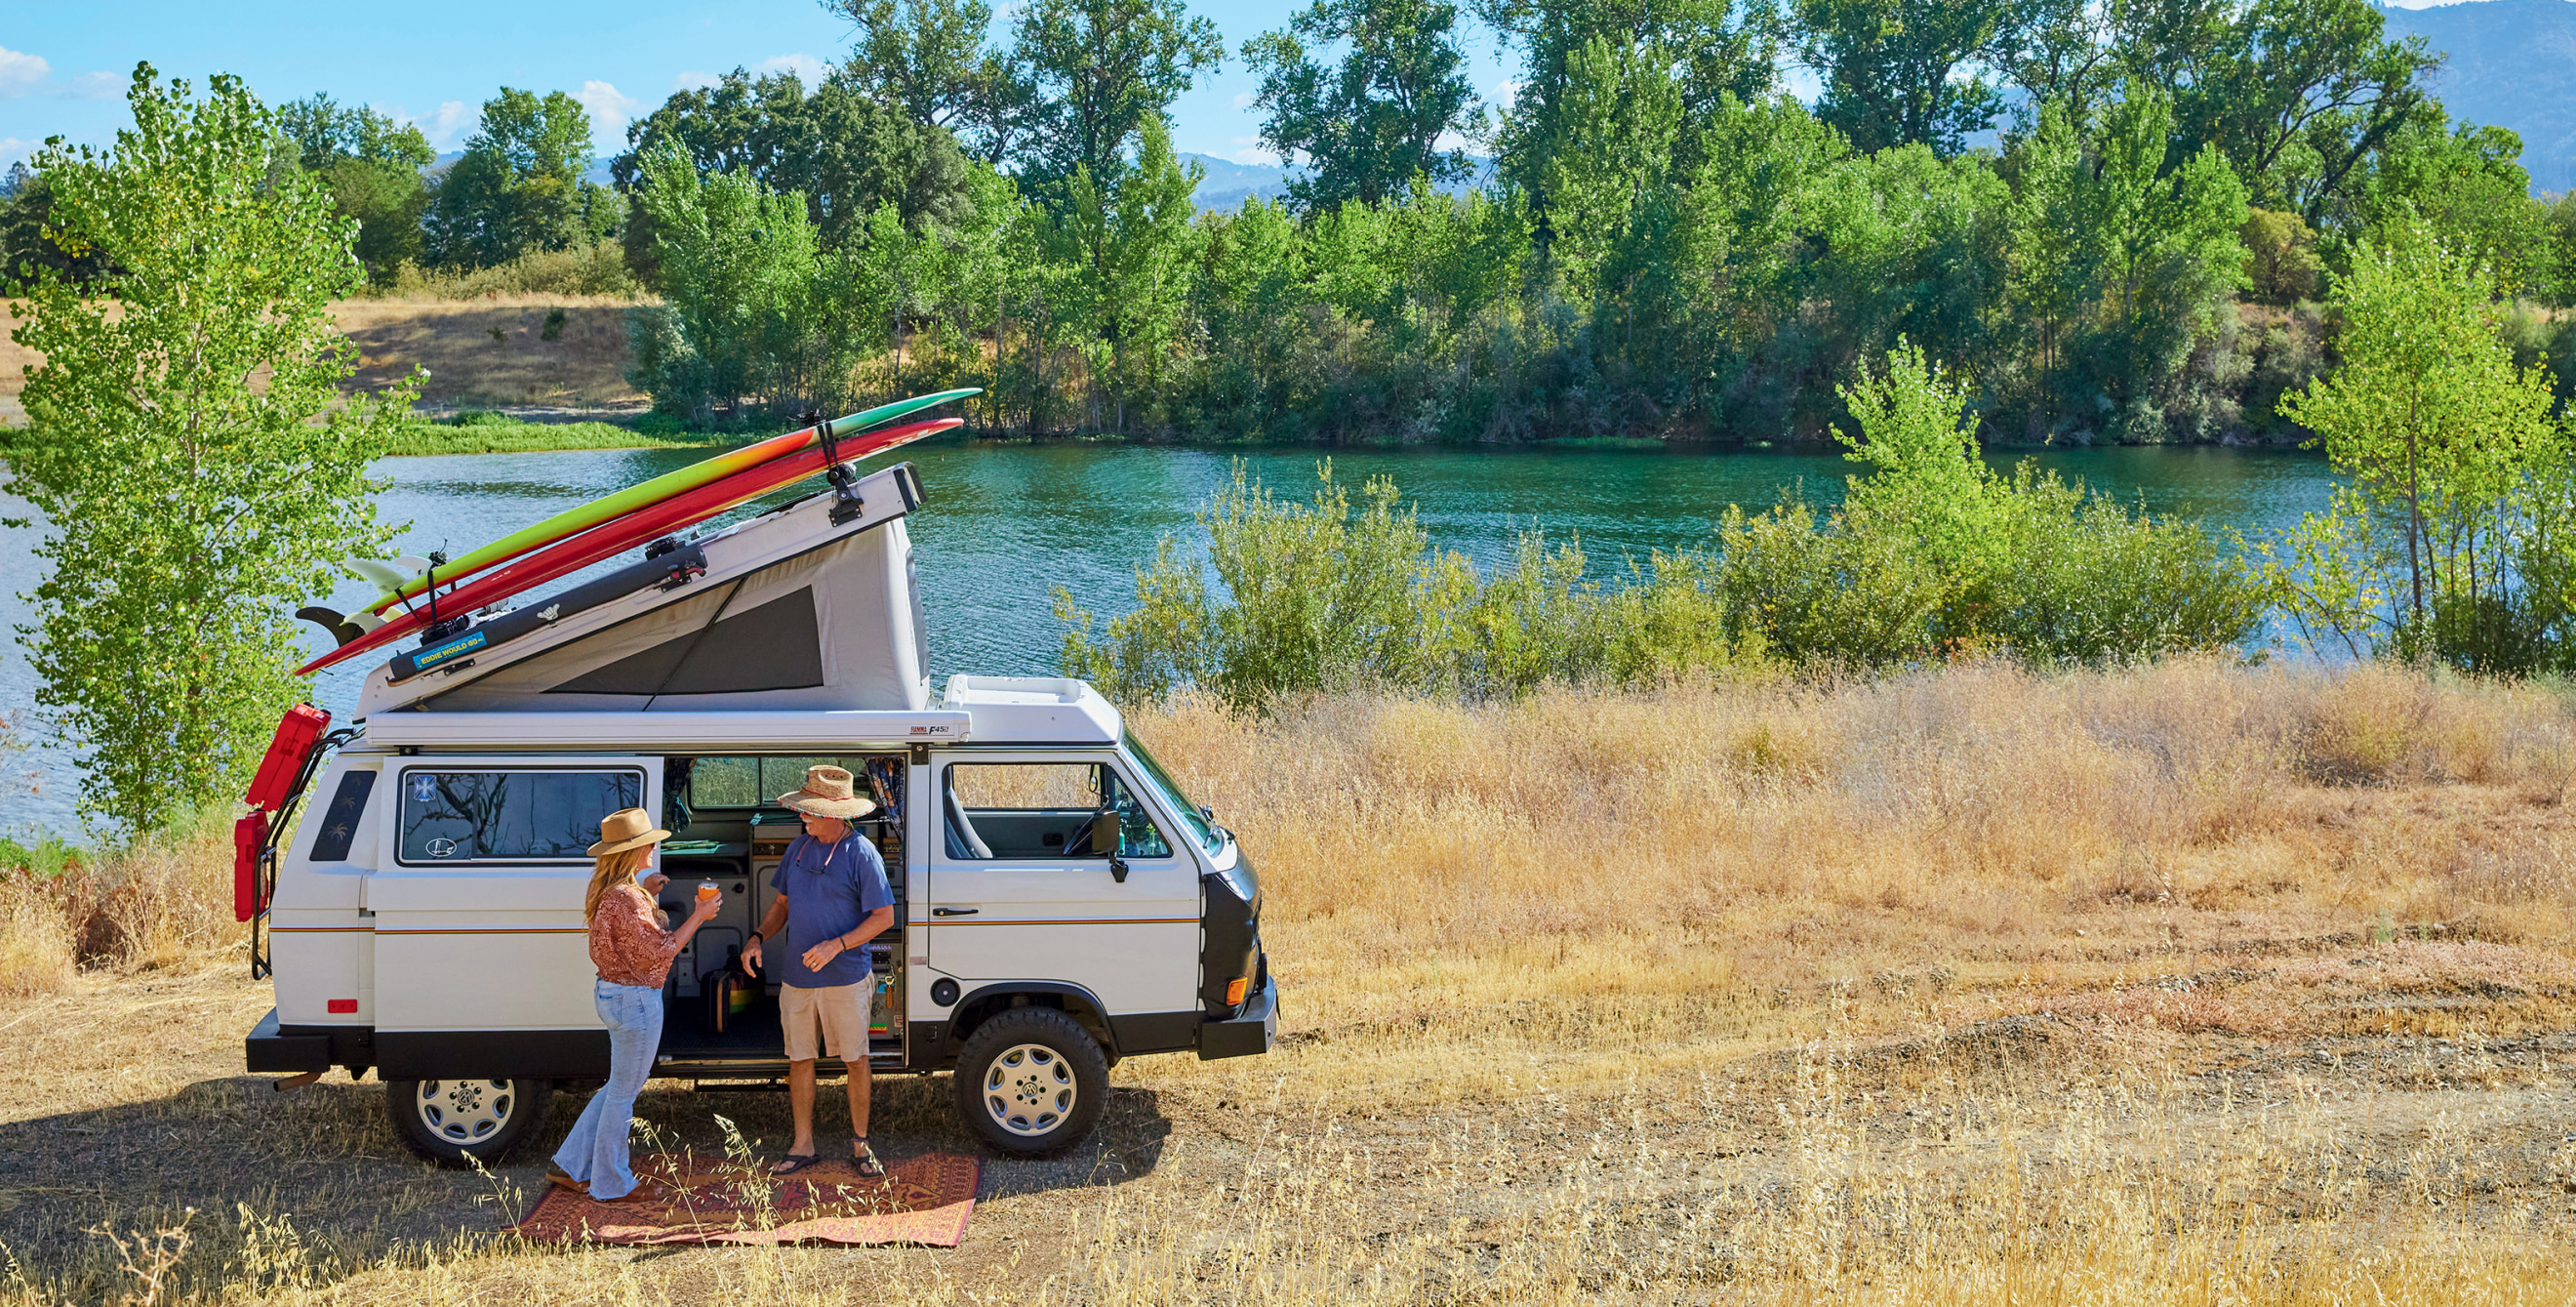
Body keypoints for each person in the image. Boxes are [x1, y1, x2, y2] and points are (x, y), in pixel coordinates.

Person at [550, 807, 721, 1203]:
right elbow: (658, 953)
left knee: (617, 1087)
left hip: (611, 994)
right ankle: (610, 1182)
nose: (653, 850)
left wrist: (649, 892)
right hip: (635, 1002)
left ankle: (571, 1163)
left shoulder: (612, 893)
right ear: (634, 851)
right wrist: (699, 915)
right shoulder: (629, 899)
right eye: (648, 845)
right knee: (623, 1094)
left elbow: (629, 940)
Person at [745, 764, 895, 1177]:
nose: (802, 816)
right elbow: (782, 907)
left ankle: (861, 1145)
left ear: (832, 814)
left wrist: (837, 945)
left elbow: (883, 916)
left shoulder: (862, 854)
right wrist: (758, 936)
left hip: (845, 978)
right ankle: (803, 1144)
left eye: (808, 811)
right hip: (797, 978)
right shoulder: (798, 849)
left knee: (855, 1059)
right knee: (800, 1059)